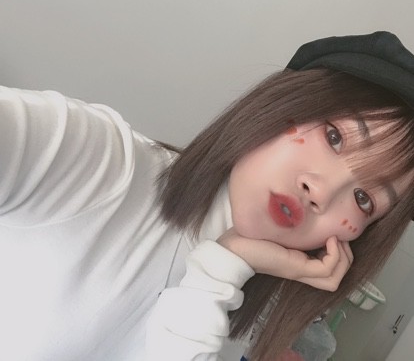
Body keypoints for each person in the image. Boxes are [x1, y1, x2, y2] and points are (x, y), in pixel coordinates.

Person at [0, 32, 413, 361]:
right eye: (335, 137)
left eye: (364, 199)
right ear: (281, 103)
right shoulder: (100, 162)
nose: (320, 191)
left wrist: (222, 268)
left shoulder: (239, 308)